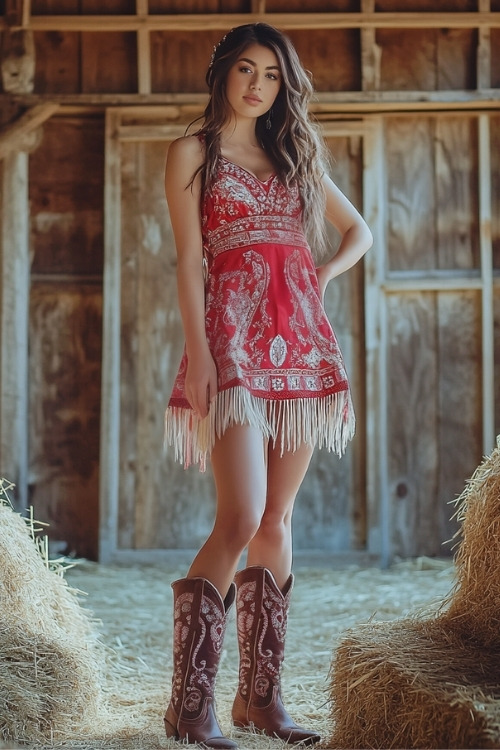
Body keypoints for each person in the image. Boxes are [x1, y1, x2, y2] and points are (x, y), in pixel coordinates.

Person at [163, 22, 373, 750]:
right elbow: (190, 264)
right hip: (232, 350)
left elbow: (360, 233)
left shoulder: (295, 155)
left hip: (303, 354)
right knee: (240, 516)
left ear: (283, 85)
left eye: (273, 75)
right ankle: (189, 709)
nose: (258, 84)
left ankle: (261, 703)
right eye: (246, 69)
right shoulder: (194, 152)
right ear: (223, 73)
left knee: (277, 521)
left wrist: (318, 274)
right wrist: (200, 355)